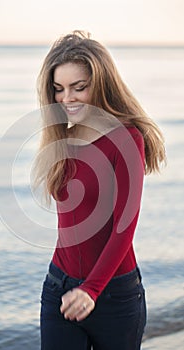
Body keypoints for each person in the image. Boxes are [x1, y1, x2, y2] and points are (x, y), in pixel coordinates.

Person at [33, 31, 166, 350]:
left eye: (79, 87)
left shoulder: (128, 139)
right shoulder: (61, 138)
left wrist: (91, 289)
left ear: (101, 84)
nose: (67, 98)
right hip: (59, 287)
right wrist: (75, 288)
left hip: (114, 297)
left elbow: (124, 227)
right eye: (59, 89)